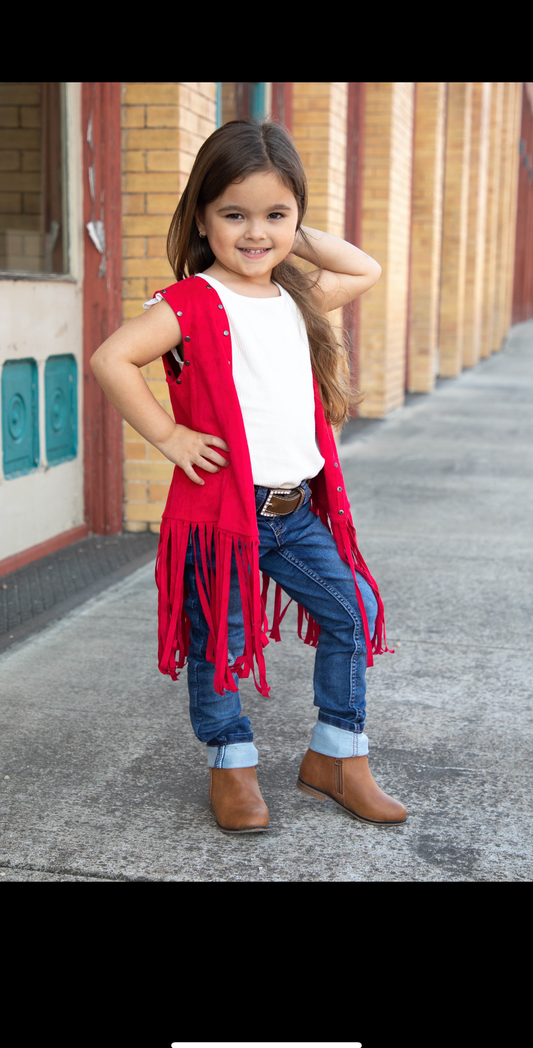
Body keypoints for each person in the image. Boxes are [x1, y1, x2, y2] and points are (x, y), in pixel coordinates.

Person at [90, 118, 407, 834]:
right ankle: (230, 762)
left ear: (295, 218)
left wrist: (291, 228)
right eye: (234, 215)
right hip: (222, 516)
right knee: (223, 644)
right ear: (202, 217)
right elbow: (112, 359)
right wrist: (168, 435)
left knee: (348, 612)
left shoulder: (296, 296)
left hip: (294, 515)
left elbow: (364, 269)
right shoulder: (191, 303)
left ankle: (336, 755)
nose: (254, 233)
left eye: (274, 215)